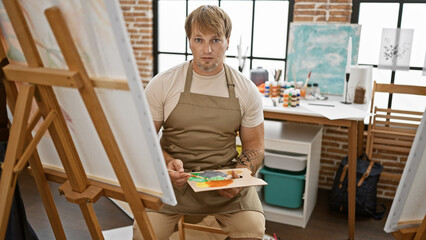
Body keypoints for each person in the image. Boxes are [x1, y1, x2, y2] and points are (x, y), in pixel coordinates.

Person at [133, 5, 265, 240]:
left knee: (253, 228)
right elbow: (142, 138)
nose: (207, 49)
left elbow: (254, 145)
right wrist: (166, 165)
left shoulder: (246, 90)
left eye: (215, 40)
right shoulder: (163, 84)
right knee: (146, 232)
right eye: (198, 39)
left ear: (227, 41)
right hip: (171, 184)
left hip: (224, 183)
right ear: (189, 42)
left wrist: (240, 175)